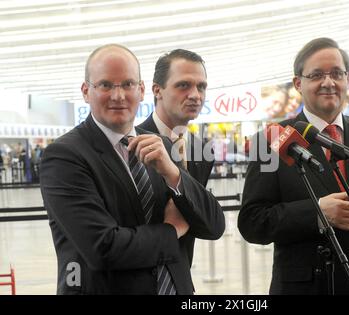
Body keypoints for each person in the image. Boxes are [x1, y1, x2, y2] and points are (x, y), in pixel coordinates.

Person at [238, 37, 349, 295]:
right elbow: (253, 221)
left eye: (337, 73)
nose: (328, 82)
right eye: (316, 75)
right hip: (310, 284)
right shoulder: (272, 140)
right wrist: (317, 213)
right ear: (298, 83)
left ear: (347, 79)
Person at [39, 44, 225, 295]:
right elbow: (103, 248)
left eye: (127, 84)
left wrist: (173, 174)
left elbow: (213, 225)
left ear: (141, 90)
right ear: (86, 91)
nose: (118, 96)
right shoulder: (64, 156)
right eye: (105, 85)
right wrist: (172, 230)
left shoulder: (162, 146)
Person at [139, 49, 214, 188]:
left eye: (201, 87)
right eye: (183, 85)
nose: (195, 95)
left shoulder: (203, 152)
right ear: (157, 90)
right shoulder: (130, 144)